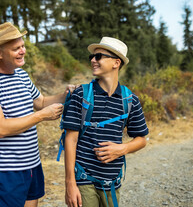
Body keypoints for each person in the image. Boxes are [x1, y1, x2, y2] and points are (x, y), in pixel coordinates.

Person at [0, 22, 76, 207]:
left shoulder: (21, 75)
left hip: (32, 164)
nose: (22, 51)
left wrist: (65, 94)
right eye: (16, 48)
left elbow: (41, 102)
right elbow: (0, 129)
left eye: (23, 46)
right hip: (7, 170)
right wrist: (42, 116)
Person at [63, 37, 149, 207]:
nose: (93, 60)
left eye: (99, 56)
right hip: (83, 180)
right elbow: (70, 140)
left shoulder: (130, 100)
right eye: (92, 57)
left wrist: (122, 149)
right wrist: (70, 183)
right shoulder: (81, 94)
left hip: (112, 183)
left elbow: (141, 139)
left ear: (116, 63)